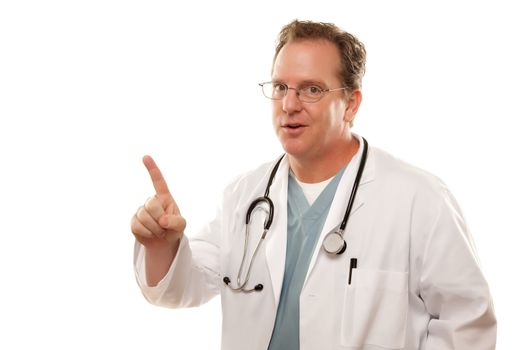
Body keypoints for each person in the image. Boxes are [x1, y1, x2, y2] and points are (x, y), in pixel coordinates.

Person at [131, 20, 497, 350]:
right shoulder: (244, 197)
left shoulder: (420, 199)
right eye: (280, 87)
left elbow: (467, 325)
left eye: (311, 89)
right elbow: (184, 288)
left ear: (351, 104)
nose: (289, 104)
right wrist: (163, 246)